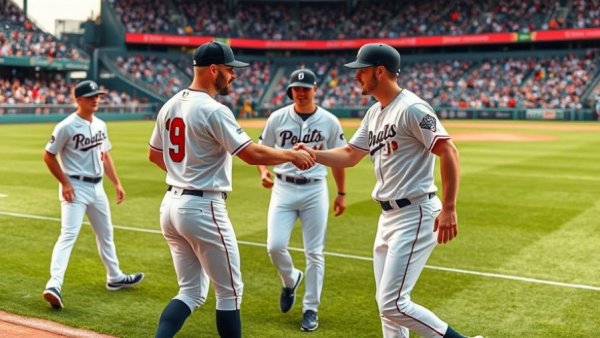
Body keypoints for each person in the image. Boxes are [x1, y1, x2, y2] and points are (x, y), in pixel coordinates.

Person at [296, 43, 482, 338]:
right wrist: (312, 154)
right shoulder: (374, 113)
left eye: (361, 71)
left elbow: (449, 152)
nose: (356, 76)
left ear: (379, 71)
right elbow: (350, 155)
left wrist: (449, 208)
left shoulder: (412, 107)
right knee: (388, 311)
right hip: (388, 218)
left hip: (416, 212)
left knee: (393, 303)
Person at [148, 41, 315, 338]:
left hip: (170, 205)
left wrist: (185, 174)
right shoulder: (214, 110)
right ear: (213, 70)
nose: (234, 76)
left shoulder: (171, 103)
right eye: (229, 69)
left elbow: (154, 155)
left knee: (190, 292)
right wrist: (291, 154)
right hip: (202, 208)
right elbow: (250, 153)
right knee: (230, 293)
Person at [257, 68, 347, 332]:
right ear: (290, 91)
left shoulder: (329, 121)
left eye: (306, 88)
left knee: (315, 252)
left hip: (315, 189)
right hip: (283, 188)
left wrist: (341, 193)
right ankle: (290, 279)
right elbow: (262, 150)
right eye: (296, 88)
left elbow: (339, 159)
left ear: (315, 89)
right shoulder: (277, 117)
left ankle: (311, 308)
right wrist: (263, 172)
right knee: (274, 246)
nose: (301, 92)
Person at [42, 80, 144, 310]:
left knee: (106, 233)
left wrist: (116, 183)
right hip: (75, 188)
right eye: (90, 97)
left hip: (97, 188)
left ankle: (115, 277)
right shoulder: (66, 126)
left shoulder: (100, 124)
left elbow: (105, 156)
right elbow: (48, 155)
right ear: (78, 100)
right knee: (68, 235)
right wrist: (64, 183)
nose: (96, 99)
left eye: (97, 96)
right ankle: (54, 284)